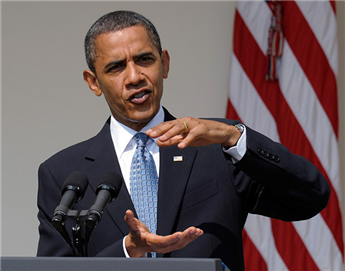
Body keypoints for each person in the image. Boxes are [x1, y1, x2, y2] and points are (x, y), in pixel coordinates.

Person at [37, 10, 330, 270]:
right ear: (93, 82)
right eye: (116, 67)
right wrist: (129, 250)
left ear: (164, 64)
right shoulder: (62, 173)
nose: (134, 76)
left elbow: (310, 197)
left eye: (144, 60)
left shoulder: (219, 145)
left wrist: (235, 136)